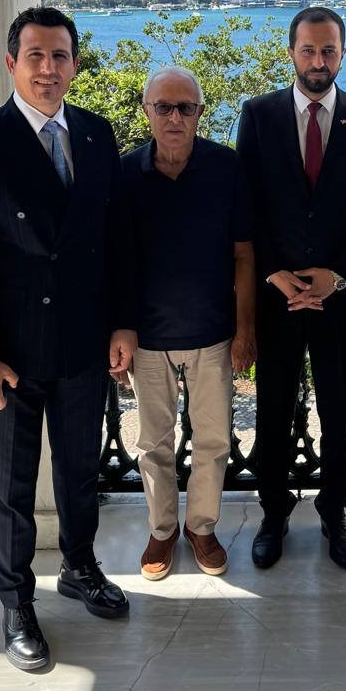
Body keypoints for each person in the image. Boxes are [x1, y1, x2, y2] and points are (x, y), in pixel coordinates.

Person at [0, 6, 136, 673]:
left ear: (75, 64)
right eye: (35, 57)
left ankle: (79, 569)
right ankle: (16, 604)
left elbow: (115, 243)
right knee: (12, 487)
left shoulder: (97, 135)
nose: (48, 70)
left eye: (60, 57)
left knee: (82, 474)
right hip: (9, 356)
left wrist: (123, 323)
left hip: (83, 346)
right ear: (11, 64)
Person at [235, 6, 346, 569]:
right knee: (273, 407)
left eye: (328, 51)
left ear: (342, 54)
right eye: (308, 50)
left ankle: (335, 512)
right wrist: (277, 273)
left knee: (339, 406)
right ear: (291, 52)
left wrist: (337, 274)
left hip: (338, 295)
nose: (318, 61)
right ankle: (273, 514)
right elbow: (247, 200)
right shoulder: (258, 115)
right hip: (275, 297)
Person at [118, 67, 255, 582]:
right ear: (147, 110)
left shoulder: (227, 169)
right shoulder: (124, 174)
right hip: (149, 336)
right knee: (153, 442)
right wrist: (118, 331)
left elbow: (245, 254)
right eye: (163, 107)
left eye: (186, 108)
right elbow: (116, 261)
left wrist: (245, 331)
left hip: (213, 332)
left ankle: (201, 527)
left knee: (214, 438)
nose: (174, 117)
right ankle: (161, 530)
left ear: (201, 112)